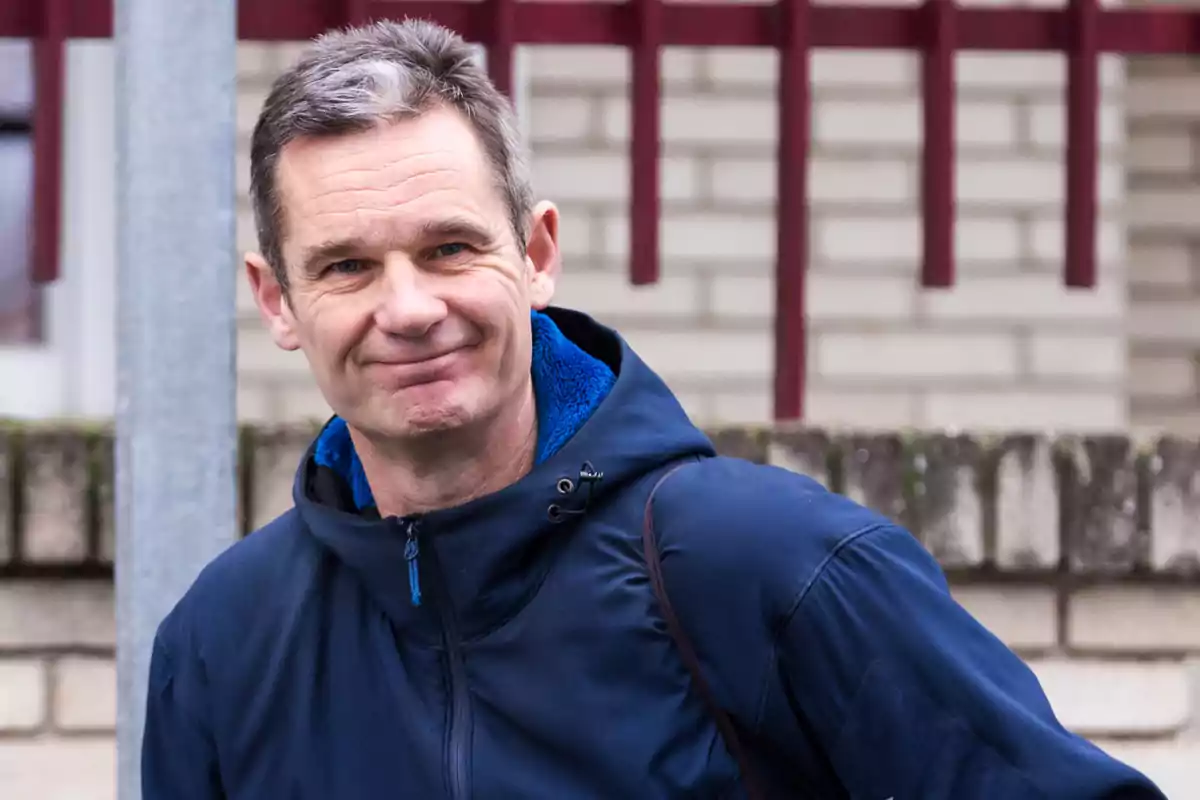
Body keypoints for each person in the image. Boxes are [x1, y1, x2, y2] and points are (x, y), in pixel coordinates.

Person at [141, 18, 1166, 800]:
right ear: (278, 300)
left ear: (537, 253)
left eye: (450, 247)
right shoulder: (222, 645)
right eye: (348, 266)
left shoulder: (775, 568)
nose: (408, 308)